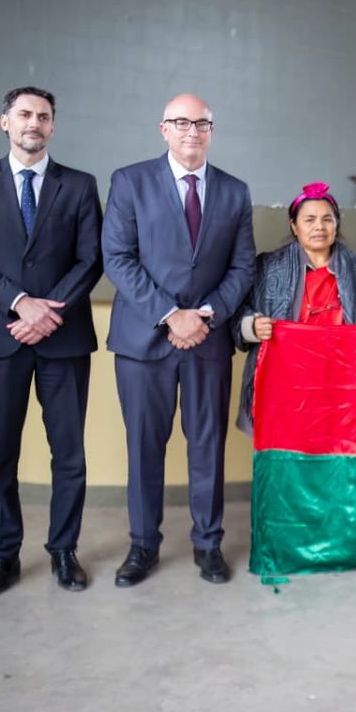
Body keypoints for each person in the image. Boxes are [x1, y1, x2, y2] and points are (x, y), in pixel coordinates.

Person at [0, 86, 103, 597]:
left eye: (42, 116)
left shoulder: (79, 186)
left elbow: (91, 260)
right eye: (24, 114)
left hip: (64, 339)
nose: (33, 122)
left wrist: (47, 312)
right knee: (0, 454)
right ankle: (3, 556)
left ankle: (64, 551)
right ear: (5, 122)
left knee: (70, 455)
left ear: (53, 126)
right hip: (0, 337)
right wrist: (19, 303)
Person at [103, 94, 256, 586]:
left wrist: (205, 315)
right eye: (181, 122)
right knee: (144, 447)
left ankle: (208, 544)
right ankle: (143, 546)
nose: (192, 130)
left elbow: (242, 266)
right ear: (163, 129)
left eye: (201, 123)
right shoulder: (129, 182)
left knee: (207, 445)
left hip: (207, 340)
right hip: (143, 341)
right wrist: (171, 316)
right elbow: (117, 257)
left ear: (212, 131)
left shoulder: (234, 191)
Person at [231, 181, 356, 433]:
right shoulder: (267, 268)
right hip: (286, 391)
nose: (319, 227)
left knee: (337, 454)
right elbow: (237, 314)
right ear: (294, 226)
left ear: (337, 224)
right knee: (288, 455)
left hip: (344, 391)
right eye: (309, 220)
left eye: (327, 219)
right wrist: (253, 326)